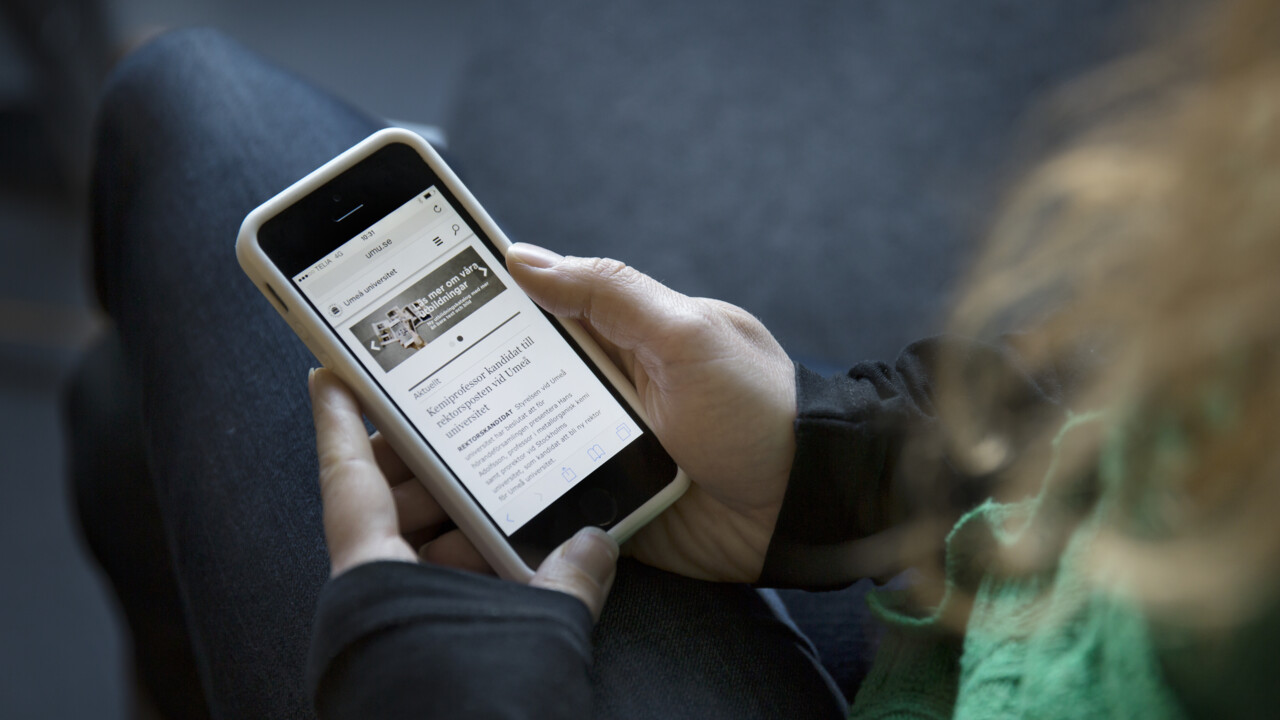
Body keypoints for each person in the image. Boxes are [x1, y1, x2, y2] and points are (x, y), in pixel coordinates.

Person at [79, 0, 1280, 717]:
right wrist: (829, 458)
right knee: (123, 398)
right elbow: (1156, 414)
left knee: (180, 107)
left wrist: (438, 693)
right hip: (991, 609)